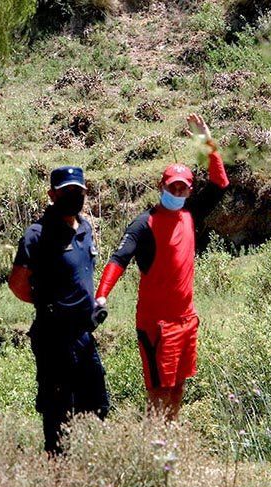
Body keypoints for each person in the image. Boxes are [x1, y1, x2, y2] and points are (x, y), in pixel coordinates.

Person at [94, 114, 230, 420]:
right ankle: (155, 448)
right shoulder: (145, 224)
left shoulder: (190, 214)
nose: (178, 193)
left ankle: (169, 441)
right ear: (161, 186)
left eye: (183, 189)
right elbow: (119, 259)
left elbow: (220, 183)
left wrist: (208, 144)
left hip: (187, 320)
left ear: (190, 191)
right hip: (157, 325)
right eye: (173, 187)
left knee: (179, 386)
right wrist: (102, 295)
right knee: (158, 389)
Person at [8, 167, 110, 455]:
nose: (73, 196)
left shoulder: (86, 228)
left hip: (84, 333)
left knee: (96, 402)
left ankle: (87, 458)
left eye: (78, 191)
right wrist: (49, 304)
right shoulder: (37, 234)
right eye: (66, 191)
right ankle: (56, 464)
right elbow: (17, 284)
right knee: (57, 403)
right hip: (53, 334)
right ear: (52, 194)